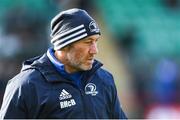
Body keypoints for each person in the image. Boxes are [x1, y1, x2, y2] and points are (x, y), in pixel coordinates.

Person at [0, 8, 127, 119]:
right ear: (65, 45)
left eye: (95, 41)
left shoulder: (104, 80)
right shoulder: (26, 86)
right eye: (88, 42)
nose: (95, 50)